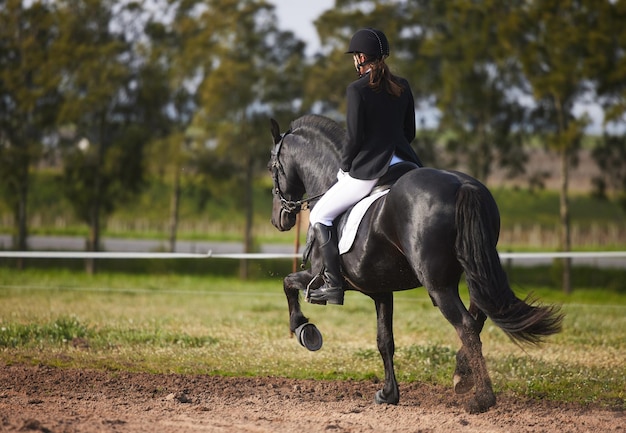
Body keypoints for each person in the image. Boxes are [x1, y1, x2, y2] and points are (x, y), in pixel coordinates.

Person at [307, 28, 422, 306]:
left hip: (372, 169)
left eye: (355, 56)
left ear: (360, 58)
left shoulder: (356, 89)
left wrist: (345, 168)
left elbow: (355, 138)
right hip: (406, 164)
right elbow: (410, 132)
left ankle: (333, 285)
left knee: (319, 216)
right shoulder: (403, 86)